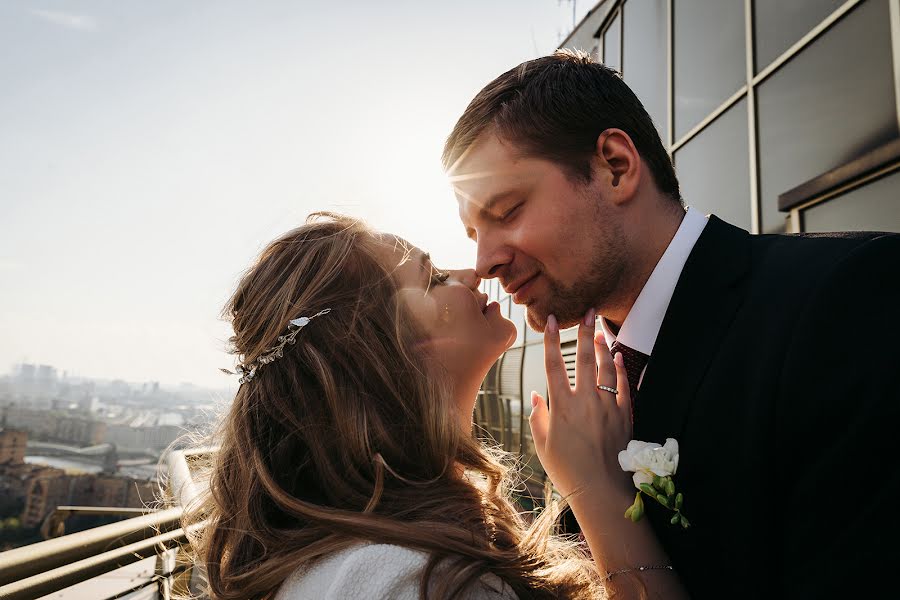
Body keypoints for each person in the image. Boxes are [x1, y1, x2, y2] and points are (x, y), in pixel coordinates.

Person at [443, 49, 900, 598]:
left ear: (615, 166)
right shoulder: (587, 400)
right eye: (474, 234)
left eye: (507, 211)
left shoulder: (849, 300)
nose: (484, 262)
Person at [180, 212, 689, 600]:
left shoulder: (367, 550)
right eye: (430, 278)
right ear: (380, 346)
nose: (473, 272)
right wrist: (597, 490)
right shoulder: (407, 581)